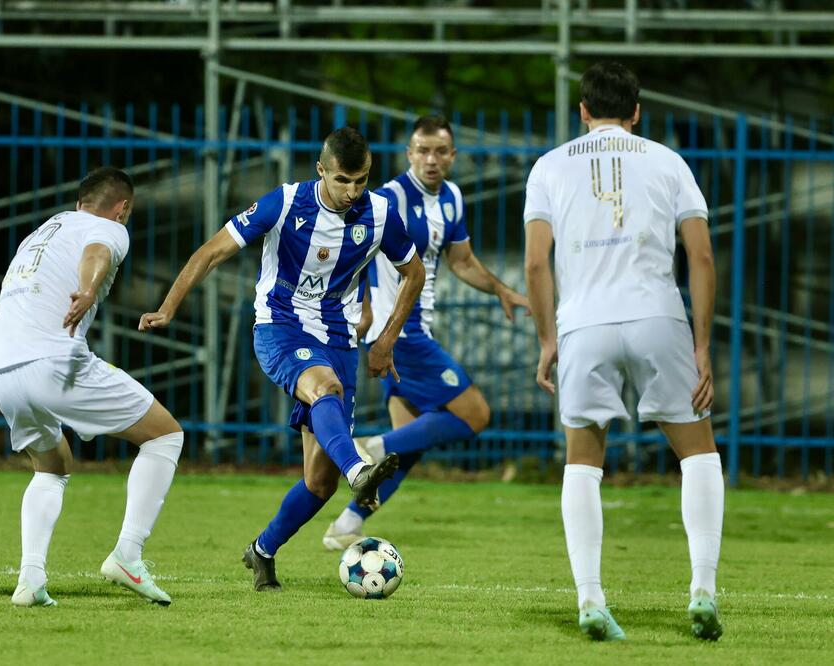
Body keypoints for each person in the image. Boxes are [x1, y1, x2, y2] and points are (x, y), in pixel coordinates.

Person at [139, 127, 425, 591]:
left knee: (318, 483)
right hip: (280, 327)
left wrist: (386, 340)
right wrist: (168, 306)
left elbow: (413, 273)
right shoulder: (285, 203)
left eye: (363, 180)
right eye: (343, 180)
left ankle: (262, 550)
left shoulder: (380, 214)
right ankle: (360, 471)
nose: (353, 191)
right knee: (324, 387)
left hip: (337, 340)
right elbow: (213, 251)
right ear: (321, 171)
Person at [523, 62, 723, 641]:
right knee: (698, 454)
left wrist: (546, 340)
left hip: (584, 324)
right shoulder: (668, 161)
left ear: (582, 111)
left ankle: (590, 599)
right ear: (637, 111)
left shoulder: (549, 167)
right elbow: (702, 257)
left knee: (583, 462)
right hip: (658, 316)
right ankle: (703, 589)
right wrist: (702, 345)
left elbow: (536, 262)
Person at [0, 167, 182, 607]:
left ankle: (30, 579)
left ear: (79, 201)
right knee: (165, 435)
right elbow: (97, 253)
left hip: (3, 368)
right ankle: (128, 554)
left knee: (52, 466)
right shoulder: (108, 228)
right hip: (53, 362)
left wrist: (3, 373)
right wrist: (88, 291)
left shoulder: (39, 235)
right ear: (122, 207)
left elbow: (16, 298)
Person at [322, 115, 529, 550]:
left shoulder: (452, 197)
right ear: (408, 154)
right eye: (422, 150)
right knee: (475, 413)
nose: (431, 160)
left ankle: (345, 526)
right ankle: (369, 447)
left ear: (453, 156)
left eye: (440, 151)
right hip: (397, 328)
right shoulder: (389, 197)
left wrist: (501, 290)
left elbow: (463, 261)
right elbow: (353, 249)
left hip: (416, 326)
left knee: (407, 449)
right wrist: (361, 309)